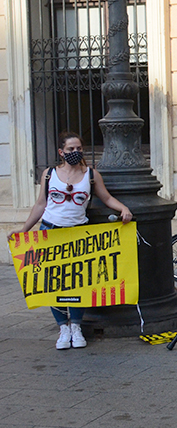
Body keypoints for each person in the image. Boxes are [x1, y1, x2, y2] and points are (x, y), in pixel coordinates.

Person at [8, 132, 133, 350]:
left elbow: (105, 197)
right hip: (51, 232)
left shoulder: (91, 175)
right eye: (70, 150)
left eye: (78, 149)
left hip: (78, 234)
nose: (75, 153)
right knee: (53, 282)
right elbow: (40, 205)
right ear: (61, 152)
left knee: (79, 282)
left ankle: (76, 326)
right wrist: (24, 230)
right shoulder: (49, 175)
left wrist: (123, 208)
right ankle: (62, 327)